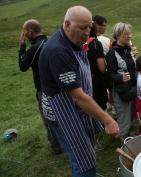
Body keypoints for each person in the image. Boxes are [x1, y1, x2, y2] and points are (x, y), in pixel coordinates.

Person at [38, 6, 119, 177]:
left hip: (76, 108)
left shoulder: (72, 40)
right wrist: (109, 121)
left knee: (86, 153)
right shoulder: (58, 51)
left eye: (89, 27)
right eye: (82, 27)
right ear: (67, 24)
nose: (87, 32)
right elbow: (77, 96)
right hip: (62, 112)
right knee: (83, 160)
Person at [18, 19, 62, 155]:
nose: (24, 35)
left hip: (44, 89)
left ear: (30, 31)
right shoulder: (50, 42)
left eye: (25, 32)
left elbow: (23, 66)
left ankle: (55, 148)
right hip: (59, 87)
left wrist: (22, 47)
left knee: (48, 119)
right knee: (61, 116)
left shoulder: (35, 47)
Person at [105, 22, 137, 143]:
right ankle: (124, 141)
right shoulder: (112, 53)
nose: (129, 36)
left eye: (130, 33)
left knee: (128, 115)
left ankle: (126, 132)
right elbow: (110, 74)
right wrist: (120, 78)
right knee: (123, 115)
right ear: (118, 35)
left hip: (131, 88)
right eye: (126, 34)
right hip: (121, 91)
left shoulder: (128, 50)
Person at [84, 22, 107, 151]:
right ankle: (94, 143)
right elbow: (102, 68)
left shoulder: (76, 43)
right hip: (94, 81)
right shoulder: (95, 44)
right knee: (96, 108)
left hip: (79, 82)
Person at [93, 15, 116, 117]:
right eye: (104, 25)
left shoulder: (85, 40)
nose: (105, 27)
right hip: (105, 70)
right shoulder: (106, 41)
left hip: (92, 73)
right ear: (97, 25)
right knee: (109, 91)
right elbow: (111, 54)